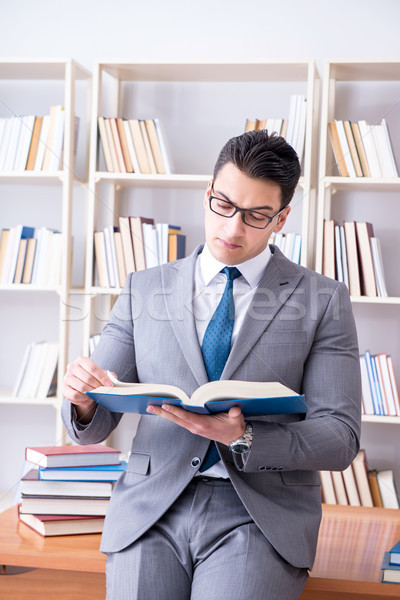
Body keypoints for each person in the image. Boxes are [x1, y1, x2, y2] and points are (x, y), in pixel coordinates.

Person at [62, 129, 361, 600]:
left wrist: (244, 436)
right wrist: (82, 398)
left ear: (281, 218)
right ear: (207, 195)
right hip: (150, 508)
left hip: (257, 515)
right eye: (223, 205)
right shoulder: (145, 287)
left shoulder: (321, 299)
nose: (233, 228)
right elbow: (94, 424)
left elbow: (340, 437)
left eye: (256, 215)